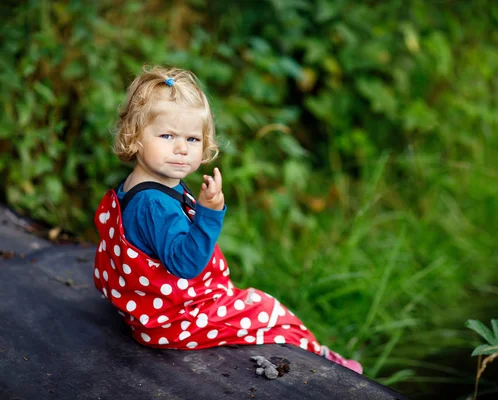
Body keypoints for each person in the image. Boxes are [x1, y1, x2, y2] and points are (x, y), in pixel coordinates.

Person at [92, 65, 363, 374]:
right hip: (174, 321)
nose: (181, 149)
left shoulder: (143, 186)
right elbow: (184, 264)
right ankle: (327, 363)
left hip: (155, 311)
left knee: (246, 304)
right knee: (267, 309)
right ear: (135, 137)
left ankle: (319, 354)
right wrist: (207, 213)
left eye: (192, 139)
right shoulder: (154, 204)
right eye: (167, 135)